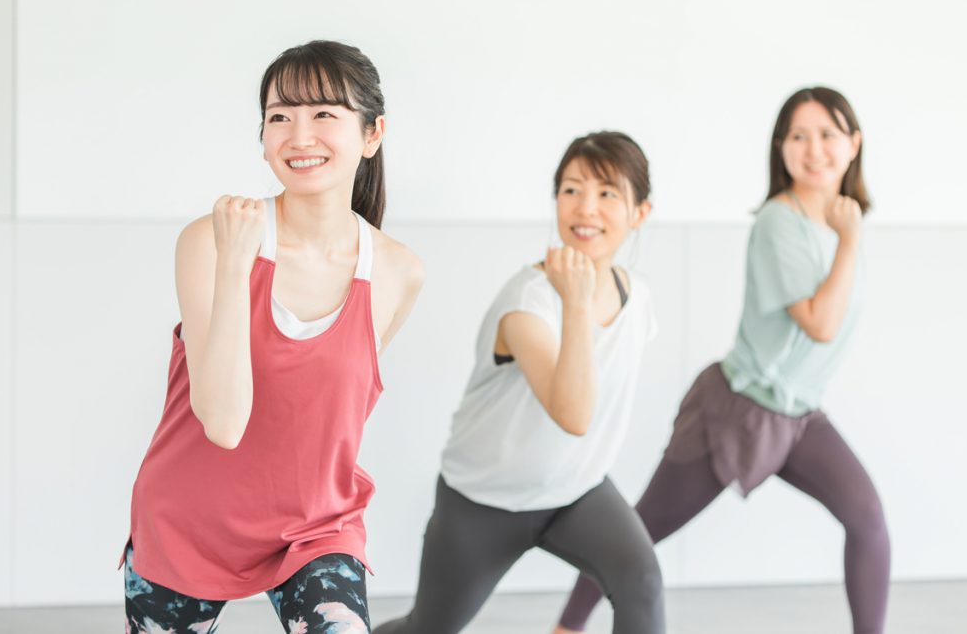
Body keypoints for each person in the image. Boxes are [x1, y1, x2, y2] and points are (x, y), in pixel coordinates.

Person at [555, 87, 889, 634]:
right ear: (780, 147)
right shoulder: (780, 222)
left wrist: (848, 234)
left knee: (868, 518)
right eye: (798, 136)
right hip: (741, 410)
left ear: (853, 143)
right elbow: (821, 325)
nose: (814, 149)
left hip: (800, 415)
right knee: (641, 530)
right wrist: (850, 241)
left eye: (828, 134)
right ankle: (567, 627)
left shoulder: (842, 222)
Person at [122, 40, 424, 634]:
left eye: (324, 114)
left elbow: (321, 411)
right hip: (188, 522)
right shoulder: (210, 241)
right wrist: (238, 264)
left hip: (316, 526)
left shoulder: (398, 271)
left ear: (372, 134)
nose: (299, 135)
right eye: (280, 116)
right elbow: (224, 421)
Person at [374, 131, 665, 634]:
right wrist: (576, 302)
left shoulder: (637, 297)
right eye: (571, 190)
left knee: (642, 582)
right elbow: (573, 413)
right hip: (484, 502)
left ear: (639, 212)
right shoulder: (527, 300)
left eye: (607, 193)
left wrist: (581, 299)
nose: (585, 207)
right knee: (427, 628)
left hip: (577, 494)